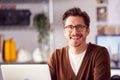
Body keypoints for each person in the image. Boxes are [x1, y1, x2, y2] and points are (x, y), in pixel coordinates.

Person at [48, 7, 111, 80]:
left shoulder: (99, 53)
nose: (75, 32)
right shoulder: (56, 57)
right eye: (70, 27)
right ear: (65, 32)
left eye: (79, 27)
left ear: (87, 30)